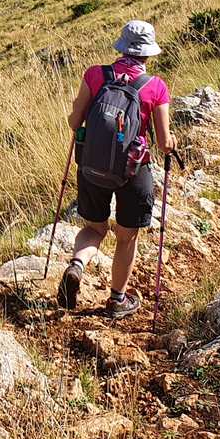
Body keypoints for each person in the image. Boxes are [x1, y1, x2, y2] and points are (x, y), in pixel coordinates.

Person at [57, 20, 177, 318]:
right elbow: (163, 142)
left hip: (92, 167)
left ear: (121, 46)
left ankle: (76, 266)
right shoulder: (155, 87)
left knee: (94, 228)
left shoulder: (96, 75)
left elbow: (74, 122)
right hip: (133, 171)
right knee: (127, 236)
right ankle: (117, 300)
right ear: (148, 54)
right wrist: (172, 142)